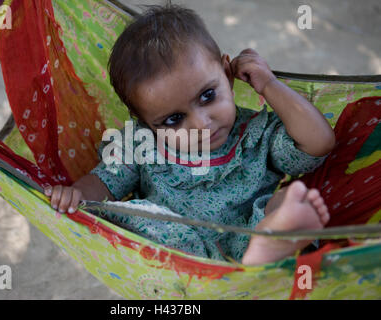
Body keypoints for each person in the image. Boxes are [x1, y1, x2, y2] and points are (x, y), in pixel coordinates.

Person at [44, 4, 335, 265]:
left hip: (250, 235)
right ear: (146, 123)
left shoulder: (255, 133)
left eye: (208, 96)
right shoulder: (140, 144)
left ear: (227, 73)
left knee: (287, 200)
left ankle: (268, 245)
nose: (201, 123)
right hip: (176, 251)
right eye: (174, 119)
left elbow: (319, 143)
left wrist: (269, 84)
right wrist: (76, 195)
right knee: (136, 214)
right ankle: (262, 251)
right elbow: (104, 183)